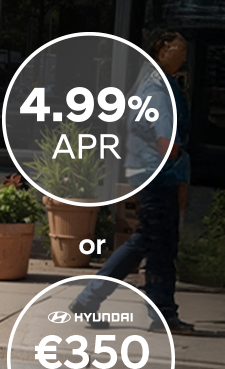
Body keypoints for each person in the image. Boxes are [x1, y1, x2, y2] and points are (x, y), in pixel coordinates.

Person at [71, 28, 194, 334]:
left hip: (153, 175)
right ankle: (157, 311)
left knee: (152, 243)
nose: (183, 55)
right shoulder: (157, 89)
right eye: (178, 49)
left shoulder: (157, 83)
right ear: (161, 49)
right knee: (157, 243)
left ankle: (151, 309)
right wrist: (177, 171)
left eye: (185, 51)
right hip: (158, 176)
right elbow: (167, 138)